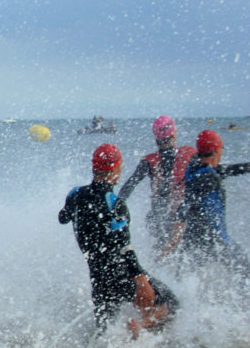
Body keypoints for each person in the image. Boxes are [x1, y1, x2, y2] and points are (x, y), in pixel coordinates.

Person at [60, 144, 177, 335]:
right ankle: (140, 326)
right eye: (120, 168)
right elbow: (125, 247)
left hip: (98, 277)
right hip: (122, 273)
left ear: (94, 168)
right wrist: (141, 281)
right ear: (114, 169)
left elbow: (63, 217)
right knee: (171, 303)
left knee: (104, 333)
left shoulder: (76, 194)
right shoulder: (114, 202)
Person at [163, 130, 250, 280]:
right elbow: (185, 206)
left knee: (184, 276)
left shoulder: (196, 167)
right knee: (245, 271)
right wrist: (172, 241)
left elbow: (223, 170)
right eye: (221, 150)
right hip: (212, 238)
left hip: (192, 238)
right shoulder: (207, 179)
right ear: (217, 151)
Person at [118, 115, 197, 247]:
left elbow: (129, 185)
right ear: (174, 133)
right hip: (182, 216)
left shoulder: (149, 161)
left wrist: (115, 207)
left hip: (157, 217)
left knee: (161, 253)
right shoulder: (189, 154)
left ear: (156, 138)